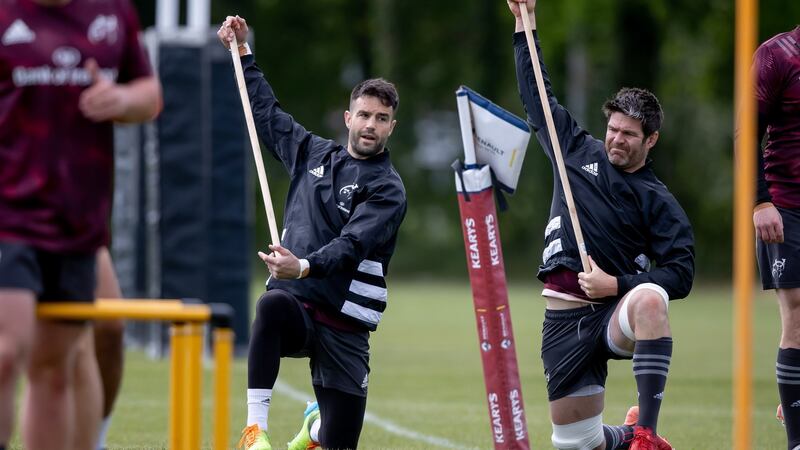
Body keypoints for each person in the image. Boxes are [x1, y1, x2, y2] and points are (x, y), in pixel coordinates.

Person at [507, 2, 695, 449]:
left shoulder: (658, 200)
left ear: (650, 140)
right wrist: (523, 22)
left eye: (629, 134)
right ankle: (628, 433)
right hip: (564, 318)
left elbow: (681, 272)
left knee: (651, 299)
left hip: (616, 315)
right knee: (577, 444)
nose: (616, 139)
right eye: (613, 129)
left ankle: (646, 434)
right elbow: (538, 96)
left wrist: (619, 284)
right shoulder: (574, 148)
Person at [217, 15, 407, 450]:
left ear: (391, 126)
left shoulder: (389, 190)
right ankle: (254, 430)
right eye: (364, 115)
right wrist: (242, 52)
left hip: (346, 321)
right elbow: (265, 113)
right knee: (270, 307)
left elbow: (352, 245)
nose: (370, 125)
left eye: (381, 118)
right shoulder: (311, 153)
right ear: (348, 117)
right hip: (298, 305)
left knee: (338, 442)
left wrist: (300, 265)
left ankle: (314, 429)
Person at [0, 0, 161, 448]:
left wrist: (122, 99)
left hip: (78, 226)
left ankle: (94, 439)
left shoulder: (113, 14)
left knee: (57, 368)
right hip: (9, 218)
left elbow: (148, 94)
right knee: (6, 353)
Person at [751, 26, 800, 450]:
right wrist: (760, 201)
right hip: (786, 206)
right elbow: (746, 133)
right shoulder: (777, 55)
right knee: (797, 315)